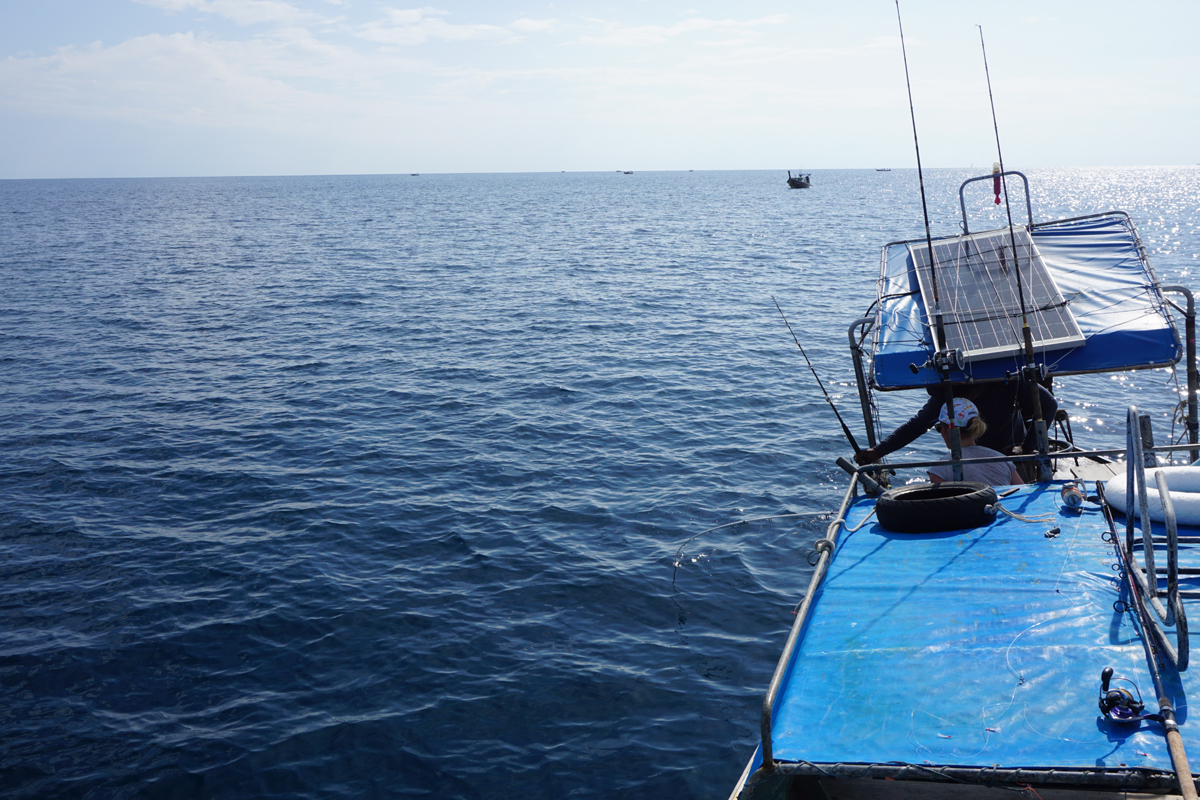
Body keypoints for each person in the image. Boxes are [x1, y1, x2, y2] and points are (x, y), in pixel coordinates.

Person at [853, 378, 1057, 466]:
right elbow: (917, 425)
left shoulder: (1009, 381)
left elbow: (1049, 405)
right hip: (969, 458)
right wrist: (878, 451)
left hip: (1010, 453)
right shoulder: (946, 397)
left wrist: (1028, 448)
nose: (956, 398)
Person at [927, 398, 1021, 486]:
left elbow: (942, 502)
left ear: (948, 430)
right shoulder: (1003, 460)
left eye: (939, 428)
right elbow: (1023, 493)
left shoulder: (939, 469)